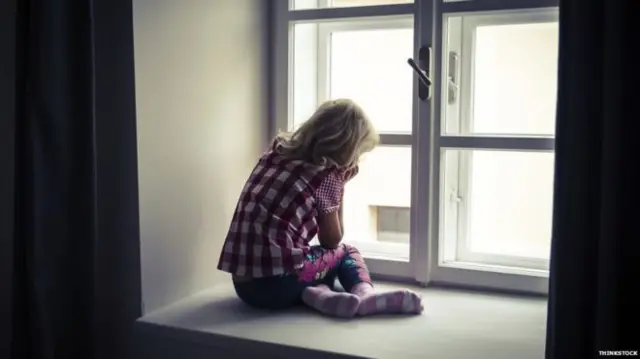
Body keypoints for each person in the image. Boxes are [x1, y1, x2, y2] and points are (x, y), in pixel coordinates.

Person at [217, 99, 423, 318]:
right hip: (278, 285)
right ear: (348, 149)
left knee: (304, 260)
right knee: (346, 252)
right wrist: (340, 186)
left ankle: (322, 297)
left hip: (245, 287)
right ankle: (364, 295)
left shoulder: (273, 155)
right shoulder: (326, 177)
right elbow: (332, 240)